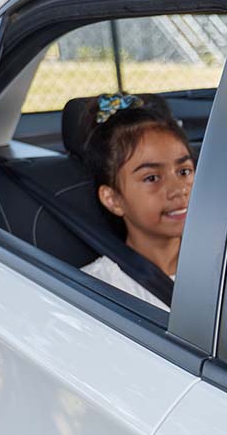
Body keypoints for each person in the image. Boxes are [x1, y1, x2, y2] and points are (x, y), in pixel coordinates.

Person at [79, 93, 193, 311]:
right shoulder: (99, 290)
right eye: (152, 178)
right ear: (112, 200)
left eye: (184, 171)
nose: (179, 190)